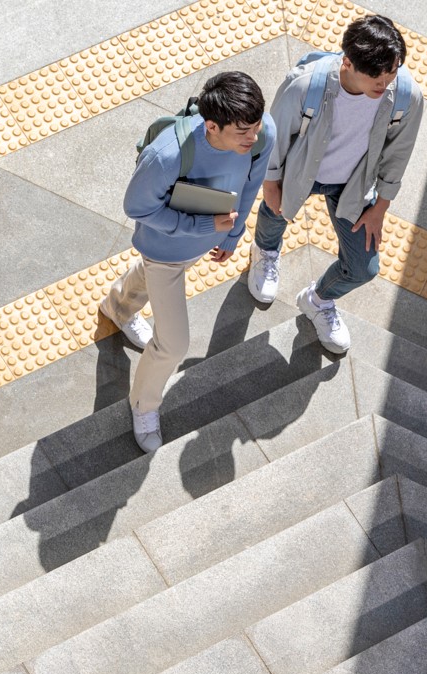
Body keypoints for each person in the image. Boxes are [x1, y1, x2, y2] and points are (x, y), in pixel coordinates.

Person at [103, 71, 276, 452]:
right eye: (243, 131)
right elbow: (136, 207)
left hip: (204, 241)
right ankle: (143, 404)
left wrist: (232, 234)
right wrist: (201, 225)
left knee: (150, 282)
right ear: (212, 126)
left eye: (257, 125)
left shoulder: (262, 133)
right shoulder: (166, 156)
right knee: (174, 344)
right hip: (164, 252)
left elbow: (250, 184)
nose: (255, 136)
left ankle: (117, 305)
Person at [248, 14, 422, 354]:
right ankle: (265, 251)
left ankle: (318, 300)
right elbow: (275, 136)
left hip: (354, 184)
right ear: (347, 62)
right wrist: (271, 183)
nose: (385, 84)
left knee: (363, 267)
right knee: (275, 215)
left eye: (393, 72)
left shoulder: (405, 95)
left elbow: (398, 154)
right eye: (376, 75)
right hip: (300, 173)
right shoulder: (305, 86)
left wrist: (381, 207)